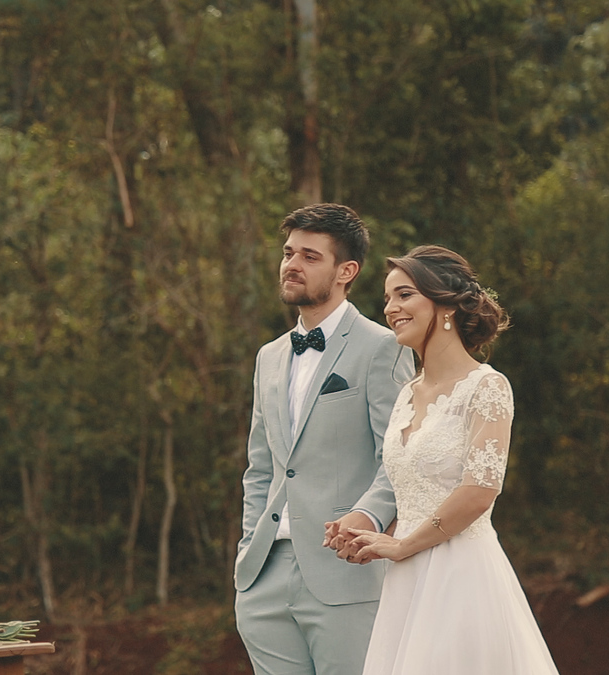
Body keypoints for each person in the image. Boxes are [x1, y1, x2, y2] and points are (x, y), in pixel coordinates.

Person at [344, 244, 560, 674]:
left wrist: (403, 544)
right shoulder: (407, 391)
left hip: (461, 575)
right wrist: (366, 531)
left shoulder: (487, 387)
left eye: (404, 295)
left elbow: (480, 492)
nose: (390, 308)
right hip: (405, 580)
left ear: (444, 304)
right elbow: (408, 484)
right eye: (387, 298)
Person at [235, 203, 414, 675]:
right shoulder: (268, 357)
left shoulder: (383, 348)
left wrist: (367, 519)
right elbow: (261, 467)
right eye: (289, 252)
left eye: (310, 257)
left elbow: (397, 458)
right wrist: (248, 550)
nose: (292, 264)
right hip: (264, 578)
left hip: (346, 574)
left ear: (346, 271)